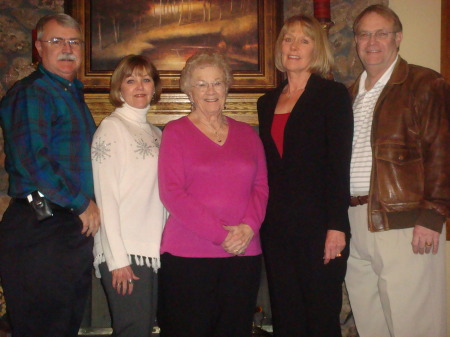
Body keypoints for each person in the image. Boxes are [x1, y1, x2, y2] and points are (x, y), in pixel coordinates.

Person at [345, 5, 450, 337]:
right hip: (354, 220)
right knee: (370, 323)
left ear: (398, 38)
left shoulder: (424, 83)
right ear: (356, 41)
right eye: (364, 34)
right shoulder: (348, 95)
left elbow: (442, 151)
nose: (372, 41)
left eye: (381, 33)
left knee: (415, 326)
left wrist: (432, 215)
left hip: (406, 224)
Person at [0, 13, 100, 336]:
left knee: (63, 325)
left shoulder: (71, 94)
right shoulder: (33, 92)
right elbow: (34, 162)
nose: (67, 48)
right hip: (40, 226)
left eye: (74, 41)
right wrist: (83, 204)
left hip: (66, 226)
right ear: (39, 47)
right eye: (57, 41)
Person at [157, 51, 268, 337]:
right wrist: (223, 236)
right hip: (188, 256)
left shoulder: (247, 133)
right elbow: (172, 193)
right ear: (189, 91)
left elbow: (261, 187)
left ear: (227, 87)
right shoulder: (175, 132)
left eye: (217, 83)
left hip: (244, 254)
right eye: (201, 84)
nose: (210, 90)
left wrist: (248, 228)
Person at [257, 15, 353, 337]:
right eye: (288, 39)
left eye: (304, 40)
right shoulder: (266, 102)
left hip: (320, 228)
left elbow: (338, 166)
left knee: (321, 318)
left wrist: (336, 227)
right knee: (286, 317)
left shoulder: (332, 95)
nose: (293, 46)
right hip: (277, 229)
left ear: (318, 49)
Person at [91, 55, 165, 337]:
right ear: (118, 87)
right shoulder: (112, 128)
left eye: (146, 79)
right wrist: (117, 259)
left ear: (155, 87)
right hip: (125, 253)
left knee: (143, 330)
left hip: (151, 251)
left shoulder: (156, 133)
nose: (140, 86)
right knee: (132, 330)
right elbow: (105, 196)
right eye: (131, 79)